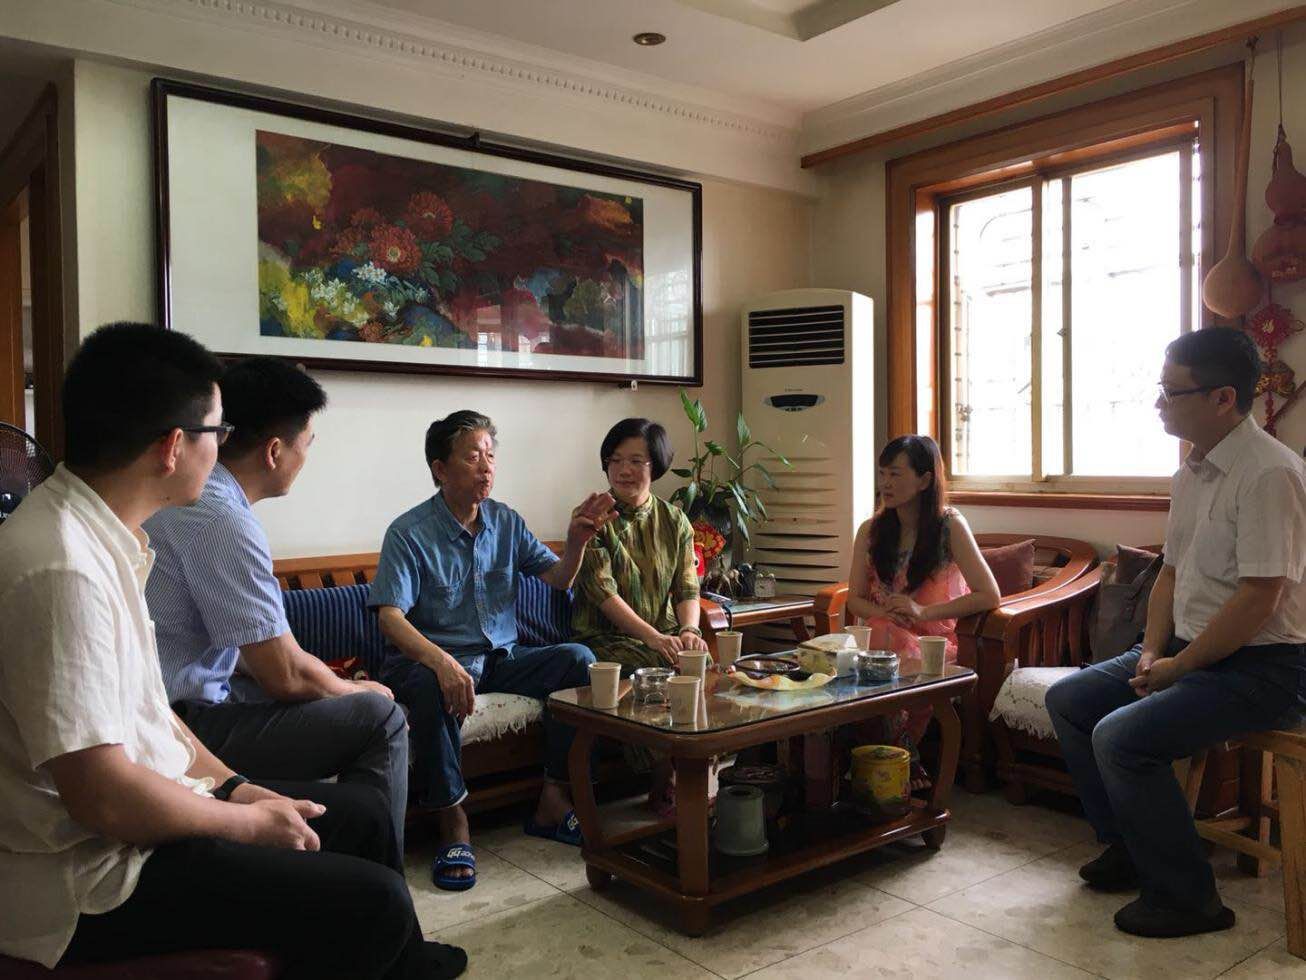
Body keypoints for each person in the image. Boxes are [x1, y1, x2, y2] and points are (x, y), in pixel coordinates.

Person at [0, 322, 464, 978]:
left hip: (146, 806)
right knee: (376, 902)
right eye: (216, 432)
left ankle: (399, 960)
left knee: (360, 816)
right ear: (173, 446)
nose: (222, 448)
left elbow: (156, 717)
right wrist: (244, 824)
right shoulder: (63, 567)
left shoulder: (107, 537)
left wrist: (237, 788)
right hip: (94, 875)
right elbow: (102, 798)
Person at [1045, 327, 1306, 940]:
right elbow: (1170, 573)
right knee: (1071, 700)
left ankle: (1189, 899)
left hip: (1266, 666)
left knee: (1121, 737)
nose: (1158, 403)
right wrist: (1154, 652)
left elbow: (1259, 597)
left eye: (1171, 391)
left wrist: (1179, 670)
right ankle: (1130, 847)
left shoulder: (1271, 473)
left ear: (1222, 398)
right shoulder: (1191, 471)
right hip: (1188, 650)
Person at [143, 356, 409, 852]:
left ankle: (335, 848)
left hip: (179, 705)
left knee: (342, 698)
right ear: (274, 451)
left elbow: (256, 654)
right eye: (307, 443)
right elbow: (284, 674)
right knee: (381, 718)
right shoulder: (221, 517)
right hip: (179, 726)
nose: (307, 456)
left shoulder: (196, 501)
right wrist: (355, 690)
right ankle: (367, 865)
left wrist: (332, 686)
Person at [369, 410, 615, 892]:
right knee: (430, 684)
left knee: (579, 662)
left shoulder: (505, 521)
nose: (486, 467)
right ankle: (453, 822)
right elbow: (389, 617)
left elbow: (558, 578)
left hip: (501, 658)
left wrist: (576, 540)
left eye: (490, 456)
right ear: (440, 468)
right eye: (472, 457)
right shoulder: (409, 532)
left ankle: (553, 798)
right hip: (431, 662)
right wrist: (442, 662)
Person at [844, 434, 1000, 786]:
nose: (885, 483)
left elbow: (989, 595)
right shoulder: (870, 531)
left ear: (925, 480)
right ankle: (888, 758)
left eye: (895, 474)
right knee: (876, 642)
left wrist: (921, 612)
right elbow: (855, 599)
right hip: (883, 636)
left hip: (934, 642)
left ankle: (892, 757)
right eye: (882, 473)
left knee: (895, 647)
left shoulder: (950, 527)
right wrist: (888, 613)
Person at [571, 417, 706, 811]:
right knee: (652, 667)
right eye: (614, 460)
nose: (623, 470)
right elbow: (602, 592)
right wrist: (655, 638)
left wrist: (689, 630)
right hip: (602, 638)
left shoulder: (674, 520)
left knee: (700, 663)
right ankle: (665, 774)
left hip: (662, 635)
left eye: (635, 461)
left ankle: (699, 766)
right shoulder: (593, 517)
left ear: (656, 466)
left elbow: (687, 586)